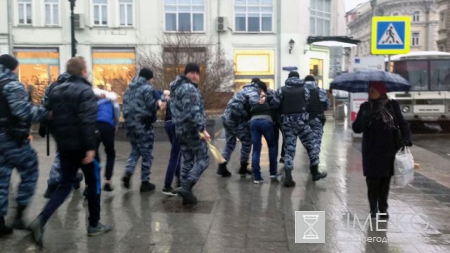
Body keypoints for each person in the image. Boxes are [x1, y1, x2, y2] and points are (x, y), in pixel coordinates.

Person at [29, 57, 112, 247]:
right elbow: (87, 121)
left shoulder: (55, 91)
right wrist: (90, 148)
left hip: (65, 147)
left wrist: (61, 139)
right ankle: (94, 224)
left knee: (64, 186)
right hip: (83, 148)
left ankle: (41, 220)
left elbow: (47, 116)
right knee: (94, 183)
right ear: (83, 72)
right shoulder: (85, 91)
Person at [0, 54, 49, 236]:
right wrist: (45, 113)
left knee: (1, 179)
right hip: (12, 138)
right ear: (13, 68)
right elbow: (23, 111)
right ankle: (19, 214)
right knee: (30, 170)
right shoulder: (12, 85)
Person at [352, 81, 412, 219]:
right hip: (371, 150)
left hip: (388, 149)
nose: (370, 94)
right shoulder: (365, 107)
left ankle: (383, 209)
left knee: (385, 181)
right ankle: (373, 208)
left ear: (381, 91)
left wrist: (407, 138)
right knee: (372, 181)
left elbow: (402, 123)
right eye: (369, 91)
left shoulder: (392, 105)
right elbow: (356, 128)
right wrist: (364, 118)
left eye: (373, 91)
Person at [269, 71, 327, 187]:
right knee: (311, 145)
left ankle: (289, 178)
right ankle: (315, 172)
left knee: (289, 149)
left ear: (288, 78)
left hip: (287, 123)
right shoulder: (304, 89)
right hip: (302, 122)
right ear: (298, 78)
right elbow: (306, 101)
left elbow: (274, 104)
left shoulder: (281, 90)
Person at [170, 63, 210, 205]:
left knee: (188, 160)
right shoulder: (189, 88)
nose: (195, 76)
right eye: (192, 72)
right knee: (204, 158)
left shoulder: (177, 89)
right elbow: (192, 112)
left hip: (180, 130)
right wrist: (202, 129)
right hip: (192, 130)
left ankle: (186, 194)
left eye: (197, 73)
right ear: (186, 74)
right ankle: (186, 187)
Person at [122, 68, 166, 192]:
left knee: (135, 150)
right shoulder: (147, 88)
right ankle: (145, 182)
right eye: (152, 79)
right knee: (147, 154)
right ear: (149, 78)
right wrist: (162, 100)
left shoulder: (129, 89)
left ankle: (128, 172)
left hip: (130, 125)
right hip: (143, 125)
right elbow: (153, 105)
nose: (152, 82)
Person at [41, 72, 84, 199]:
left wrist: (43, 124)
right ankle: (53, 182)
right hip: (69, 126)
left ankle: (75, 179)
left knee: (67, 153)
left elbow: (44, 105)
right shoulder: (73, 88)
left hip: (54, 125)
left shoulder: (51, 87)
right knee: (65, 153)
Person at [218, 78, 261, 177]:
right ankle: (243, 167)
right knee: (247, 141)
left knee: (230, 143)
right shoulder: (254, 91)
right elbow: (255, 105)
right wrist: (248, 116)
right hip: (235, 120)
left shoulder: (242, 90)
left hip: (226, 118)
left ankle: (222, 166)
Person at [248, 81, 278, 183]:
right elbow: (276, 104)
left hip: (253, 122)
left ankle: (257, 177)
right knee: (272, 146)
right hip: (266, 121)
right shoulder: (270, 95)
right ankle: (273, 173)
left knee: (256, 149)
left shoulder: (252, 97)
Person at [94, 85, 120, 191]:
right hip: (108, 127)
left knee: (93, 153)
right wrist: (116, 125)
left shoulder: (94, 101)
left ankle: (91, 184)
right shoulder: (112, 101)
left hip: (95, 126)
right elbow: (117, 111)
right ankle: (107, 182)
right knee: (110, 153)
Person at [304, 75, 330, 154]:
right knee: (317, 140)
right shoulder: (321, 91)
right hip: (318, 118)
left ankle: (311, 154)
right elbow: (327, 106)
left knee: (307, 140)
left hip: (304, 120)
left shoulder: (301, 91)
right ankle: (315, 158)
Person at [163, 89, 182, 196]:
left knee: (177, 153)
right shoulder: (182, 97)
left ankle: (179, 179)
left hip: (168, 124)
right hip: (177, 126)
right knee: (175, 155)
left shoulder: (172, 98)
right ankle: (167, 185)